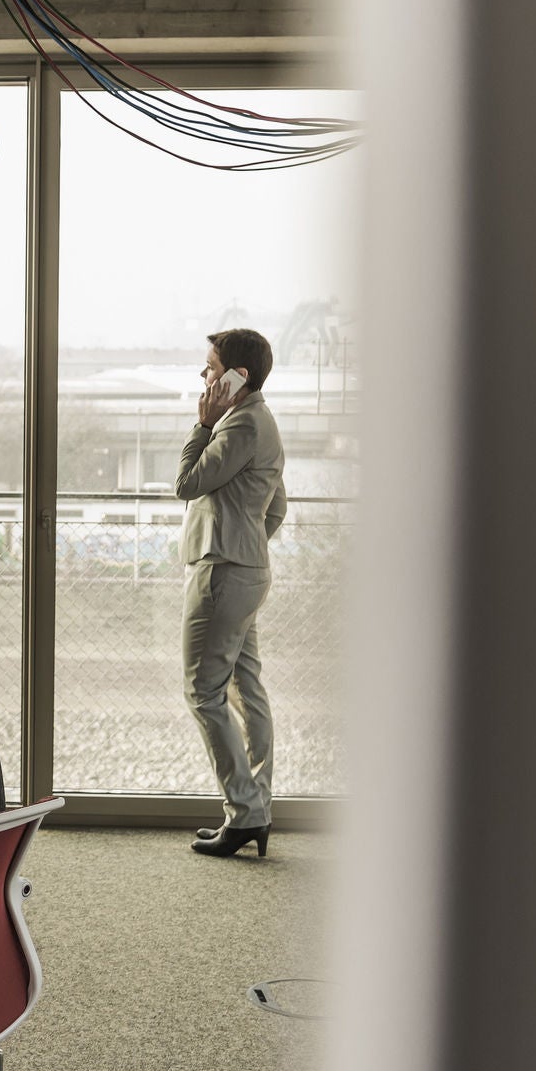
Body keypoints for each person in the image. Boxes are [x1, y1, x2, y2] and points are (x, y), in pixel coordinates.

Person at [175, 329, 288, 858]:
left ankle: (244, 813)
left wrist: (202, 423)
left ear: (236, 376)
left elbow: (188, 483)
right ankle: (254, 810)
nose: (205, 376)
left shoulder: (238, 424)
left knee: (204, 692)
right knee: (245, 687)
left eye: (211, 366)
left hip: (224, 573)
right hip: (245, 570)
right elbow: (277, 507)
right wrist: (248, 545)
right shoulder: (262, 422)